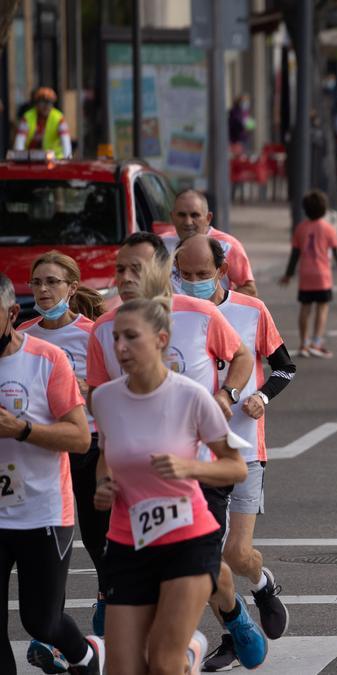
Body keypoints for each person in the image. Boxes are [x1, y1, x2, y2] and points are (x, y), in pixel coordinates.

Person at [85, 232, 267, 670]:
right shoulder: (105, 330)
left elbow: (242, 357)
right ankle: (219, 616)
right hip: (135, 493)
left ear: (162, 271)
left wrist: (226, 397)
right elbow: (105, 416)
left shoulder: (201, 313)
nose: (127, 277)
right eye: (120, 269)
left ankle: (222, 625)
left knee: (200, 566)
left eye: (137, 268)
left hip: (199, 468)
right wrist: (103, 481)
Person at [175, 236, 296, 670]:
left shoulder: (251, 310)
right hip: (194, 453)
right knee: (208, 553)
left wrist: (262, 396)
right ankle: (232, 632)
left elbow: (284, 365)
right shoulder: (170, 312)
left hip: (244, 447)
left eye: (202, 276)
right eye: (185, 275)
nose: (193, 284)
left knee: (235, 554)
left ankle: (262, 584)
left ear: (222, 272)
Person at [0, 273, 100, 674]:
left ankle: (86, 657)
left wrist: (21, 429)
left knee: (40, 621)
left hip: (41, 512)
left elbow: (79, 437)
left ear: (10, 313)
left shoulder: (45, 359)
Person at [16, 252, 108, 644]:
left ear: (72, 287)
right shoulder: (25, 333)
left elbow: (122, 392)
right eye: (37, 282)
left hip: (91, 448)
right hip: (45, 451)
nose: (43, 289)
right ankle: (49, 632)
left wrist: (90, 391)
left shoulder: (94, 334)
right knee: (48, 549)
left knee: (98, 540)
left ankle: (109, 609)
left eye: (52, 282)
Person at [280, 189, 337, 358]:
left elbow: (294, 255)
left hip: (306, 276)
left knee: (305, 308)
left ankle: (303, 343)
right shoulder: (329, 229)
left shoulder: (300, 229)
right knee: (322, 308)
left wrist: (288, 275)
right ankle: (317, 341)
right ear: (324, 209)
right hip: (323, 276)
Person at [164, 189, 257, 297]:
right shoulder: (161, 244)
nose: (188, 222)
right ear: (172, 217)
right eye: (182, 215)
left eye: (195, 215)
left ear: (208, 218)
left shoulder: (228, 246)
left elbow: (250, 289)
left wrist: (219, 306)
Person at [14, 87, 72, 158]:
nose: (46, 106)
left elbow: (65, 141)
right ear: (36, 103)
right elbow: (20, 141)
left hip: (54, 160)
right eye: (42, 102)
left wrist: (67, 158)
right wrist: (20, 158)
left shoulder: (59, 118)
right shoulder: (27, 118)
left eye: (49, 102)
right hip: (31, 159)